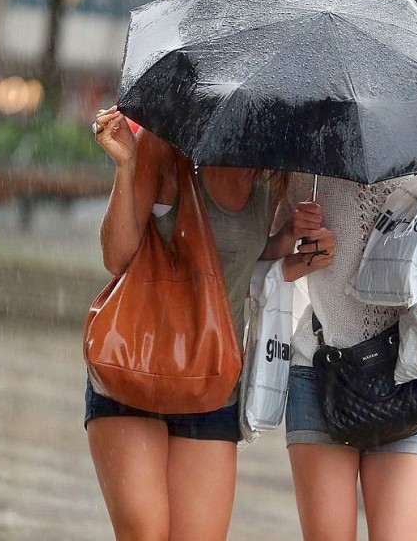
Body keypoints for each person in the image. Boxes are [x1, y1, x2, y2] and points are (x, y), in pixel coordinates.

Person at [86, 105, 334, 541]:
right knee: (146, 533)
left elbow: (235, 260)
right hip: (136, 361)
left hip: (212, 380)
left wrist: (286, 241)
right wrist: (127, 168)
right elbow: (116, 257)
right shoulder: (164, 145)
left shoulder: (270, 171)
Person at [275, 173, 417, 541]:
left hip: (405, 375)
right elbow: (258, 261)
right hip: (321, 372)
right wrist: (293, 238)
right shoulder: (307, 165)